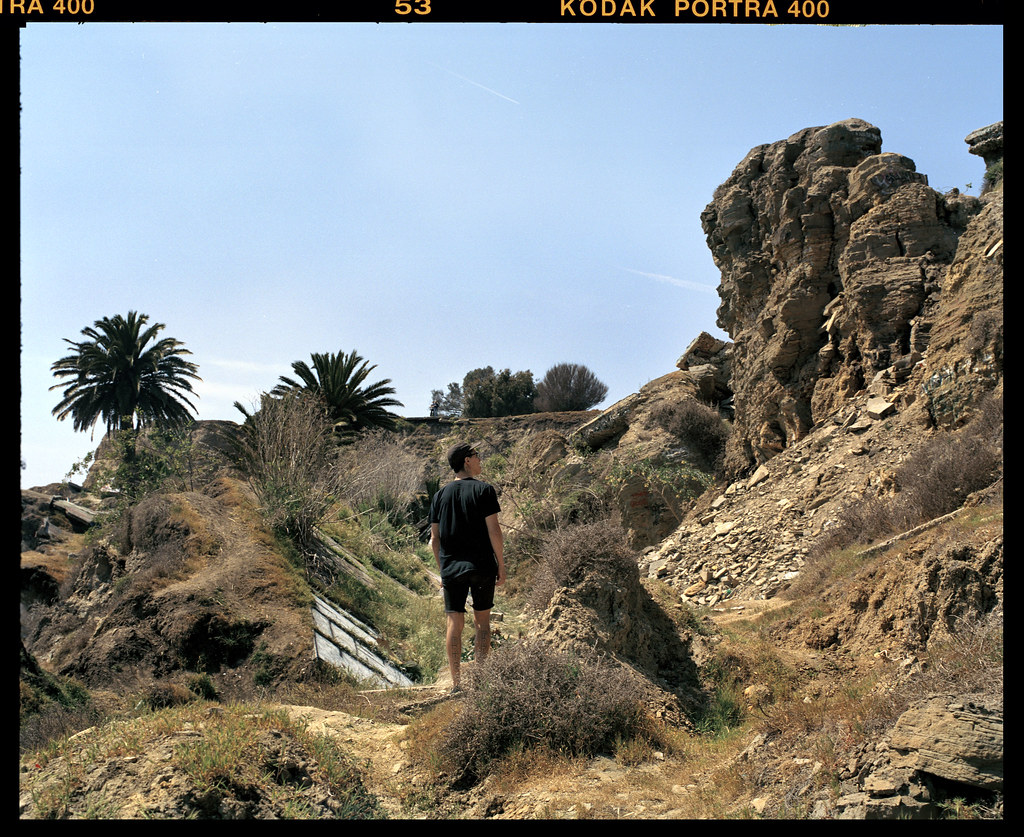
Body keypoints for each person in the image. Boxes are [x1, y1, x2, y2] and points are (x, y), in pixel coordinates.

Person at [429, 441, 506, 693]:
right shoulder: (484, 490)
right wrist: (501, 564)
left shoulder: (439, 496)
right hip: (482, 565)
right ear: (466, 461)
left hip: (451, 568)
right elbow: (494, 531)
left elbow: (434, 540)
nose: (480, 459)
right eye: (477, 455)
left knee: (454, 624)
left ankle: (457, 684)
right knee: (482, 623)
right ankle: (481, 682)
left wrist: (443, 570)